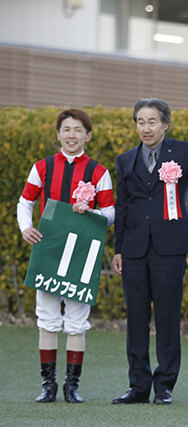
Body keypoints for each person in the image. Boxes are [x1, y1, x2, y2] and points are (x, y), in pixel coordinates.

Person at [111, 98, 188, 405]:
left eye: (152, 122)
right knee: (136, 320)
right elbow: (123, 208)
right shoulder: (125, 160)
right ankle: (138, 386)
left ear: (166, 124)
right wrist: (119, 250)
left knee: (167, 318)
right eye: (140, 122)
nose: (146, 128)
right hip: (135, 251)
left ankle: (164, 385)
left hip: (170, 250)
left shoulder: (182, 152)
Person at [17, 108, 116, 403]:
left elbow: (111, 214)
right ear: (58, 134)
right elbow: (25, 202)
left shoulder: (99, 172)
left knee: (76, 321)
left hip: (81, 255)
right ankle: (48, 386)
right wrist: (26, 228)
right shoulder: (43, 166)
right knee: (47, 320)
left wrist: (92, 211)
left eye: (77, 130)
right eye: (66, 129)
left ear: (88, 135)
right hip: (48, 251)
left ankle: (72, 387)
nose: (71, 135)